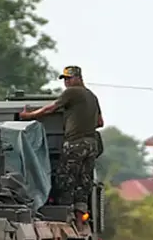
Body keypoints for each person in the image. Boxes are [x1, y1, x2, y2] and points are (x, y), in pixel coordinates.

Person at [19, 65, 103, 213]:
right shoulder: (92, 96)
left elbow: (51, 108)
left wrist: (29, 116)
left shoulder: (72, 92)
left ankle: (64, 212)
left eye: (69, 78)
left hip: (75, 143)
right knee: (83, 181)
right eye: (65, 79)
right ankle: (80, 216)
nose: (67, 82)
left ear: (78, 78)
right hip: (91, 144)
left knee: (65, 179)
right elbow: (100, 122)